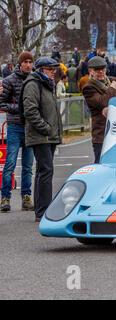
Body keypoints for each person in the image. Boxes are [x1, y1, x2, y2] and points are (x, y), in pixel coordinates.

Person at [21, 57, 63, 222]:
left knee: (43, 171)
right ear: (40, 70)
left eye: (54, 69)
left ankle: (41, 209)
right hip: (41, 135)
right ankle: (43, 210)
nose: (54, 72)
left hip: (47, 135)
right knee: (45, 170)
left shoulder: (45, 84)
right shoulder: (33, 84)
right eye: (50, 69)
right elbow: (30, 111)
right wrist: (46, 128)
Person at [0, 52, 35, 212]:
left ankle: (26, 197)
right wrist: (21, 109)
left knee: (28, 166)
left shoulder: (35, 80)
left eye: (30, 62)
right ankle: (5, 197)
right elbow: (2, 103)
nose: (28, 65)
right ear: (19, 64)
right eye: (25, 62)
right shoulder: (9, 81)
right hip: (14, 126)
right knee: (10, 164)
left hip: (30, 128)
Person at [82, 56, 116, 164]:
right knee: (101, 165)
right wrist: (112, 89)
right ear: (90, 71)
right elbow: (103, 101)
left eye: (103, 68)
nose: (100, 72)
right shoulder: (88, 87)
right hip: (101, 134)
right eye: (97, 69)